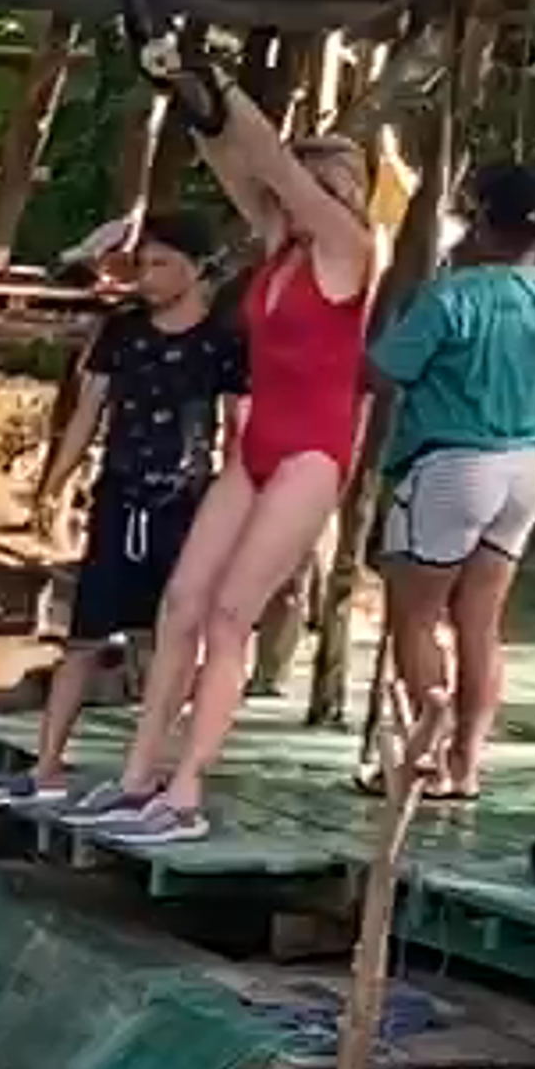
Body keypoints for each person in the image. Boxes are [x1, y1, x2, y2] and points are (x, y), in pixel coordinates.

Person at [79, 47, 386, 839]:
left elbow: (272, 165)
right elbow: (231, 157)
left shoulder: (350, 251)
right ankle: (138, 776)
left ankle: (185, 793)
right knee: (181, 602)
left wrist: (219, 80)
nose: (281, 198)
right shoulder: (280, 250)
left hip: (312, 452)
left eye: (303, 188)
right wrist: (185, 92)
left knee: (227, 615)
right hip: (256, 448)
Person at [0, 209, 246, 804]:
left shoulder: (223, 339)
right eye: (142, 264)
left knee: (169, 638)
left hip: (185, 501)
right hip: (118, 493)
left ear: (197, 269)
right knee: (82, 637)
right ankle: (46, 766)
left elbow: (239, 426)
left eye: (161, 264)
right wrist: (53, 483)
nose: (148, 277)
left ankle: (153, 766)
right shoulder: (123, 329)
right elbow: (88, 411)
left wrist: (239, 505)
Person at [368, 157, 535, 805]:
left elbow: (383, 373)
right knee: (480, 622)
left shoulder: (451, 296)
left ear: (480, 218)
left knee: (413, 618)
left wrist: (389, 304)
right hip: (522, 470)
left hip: (449, 466)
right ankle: (466, 765)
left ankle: (428, 757)